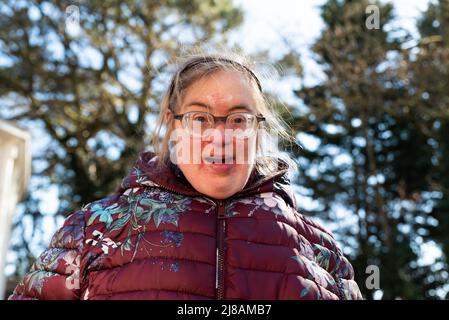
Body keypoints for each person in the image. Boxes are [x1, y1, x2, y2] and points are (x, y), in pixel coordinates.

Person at [9, 52, 362, 300]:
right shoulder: (93, 230)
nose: (220, 136)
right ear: (171, 125)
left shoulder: (320, 250)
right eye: (199, 118)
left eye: (239, 119)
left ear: (258, 131)